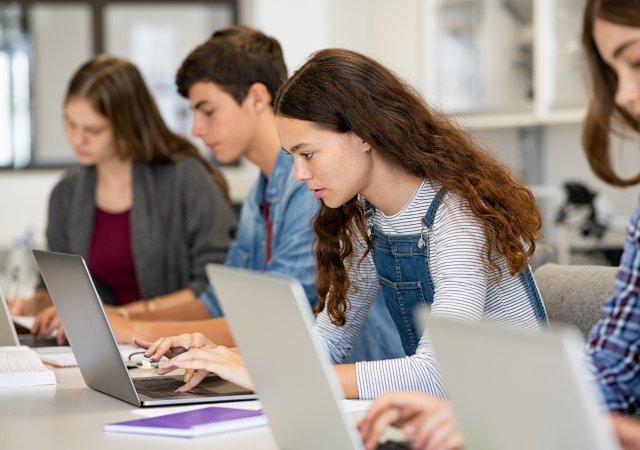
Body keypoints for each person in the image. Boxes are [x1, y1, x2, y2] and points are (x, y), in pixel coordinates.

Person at [138, 47, 548, 402]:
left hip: (522, 419)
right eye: (292, 157)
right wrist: (226, 359)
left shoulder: (457, 218)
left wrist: (269, 376)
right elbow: (328, 343)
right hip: (452, 417)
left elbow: (436, 374)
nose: (298, 173)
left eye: (308, 154)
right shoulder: (364, 219)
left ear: (363, 135)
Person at [110, 26, 404, 363]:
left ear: (257, 98)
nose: (196, 130)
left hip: (362, 376)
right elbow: (220, 301)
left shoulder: (314, 186)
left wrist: (131, 327)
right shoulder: (261, 191)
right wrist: (125, 317)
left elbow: (279, 318)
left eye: (207, 111)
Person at [11, 55, 237, 344]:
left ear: (126, 125)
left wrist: (119, 317)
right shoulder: (67, 193)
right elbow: (57, 285)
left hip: (177, 344)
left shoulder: (185, 178)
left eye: (93, 130)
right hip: (105, 343)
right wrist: (29, 306)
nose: (77, 139)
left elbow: (213, 285)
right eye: (70, 124)